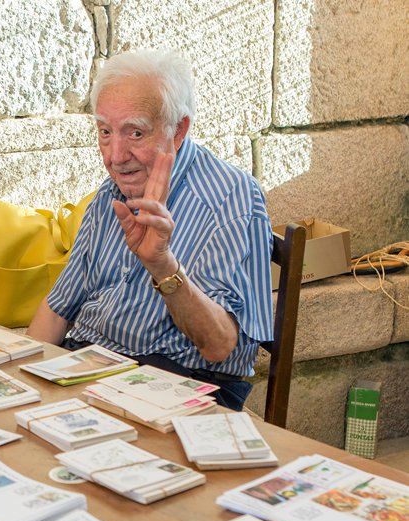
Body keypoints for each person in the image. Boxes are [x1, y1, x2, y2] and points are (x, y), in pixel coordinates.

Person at [27, 50, 273, 410]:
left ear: (179, 129)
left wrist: (162, 265)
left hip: (176, 383)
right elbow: (57, 309)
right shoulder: (112, 192)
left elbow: (220, 347)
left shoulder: (231, 197)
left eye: (136, 133)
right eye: (105, 132)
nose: (115, 156)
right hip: (87, 366)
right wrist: (22, 385)